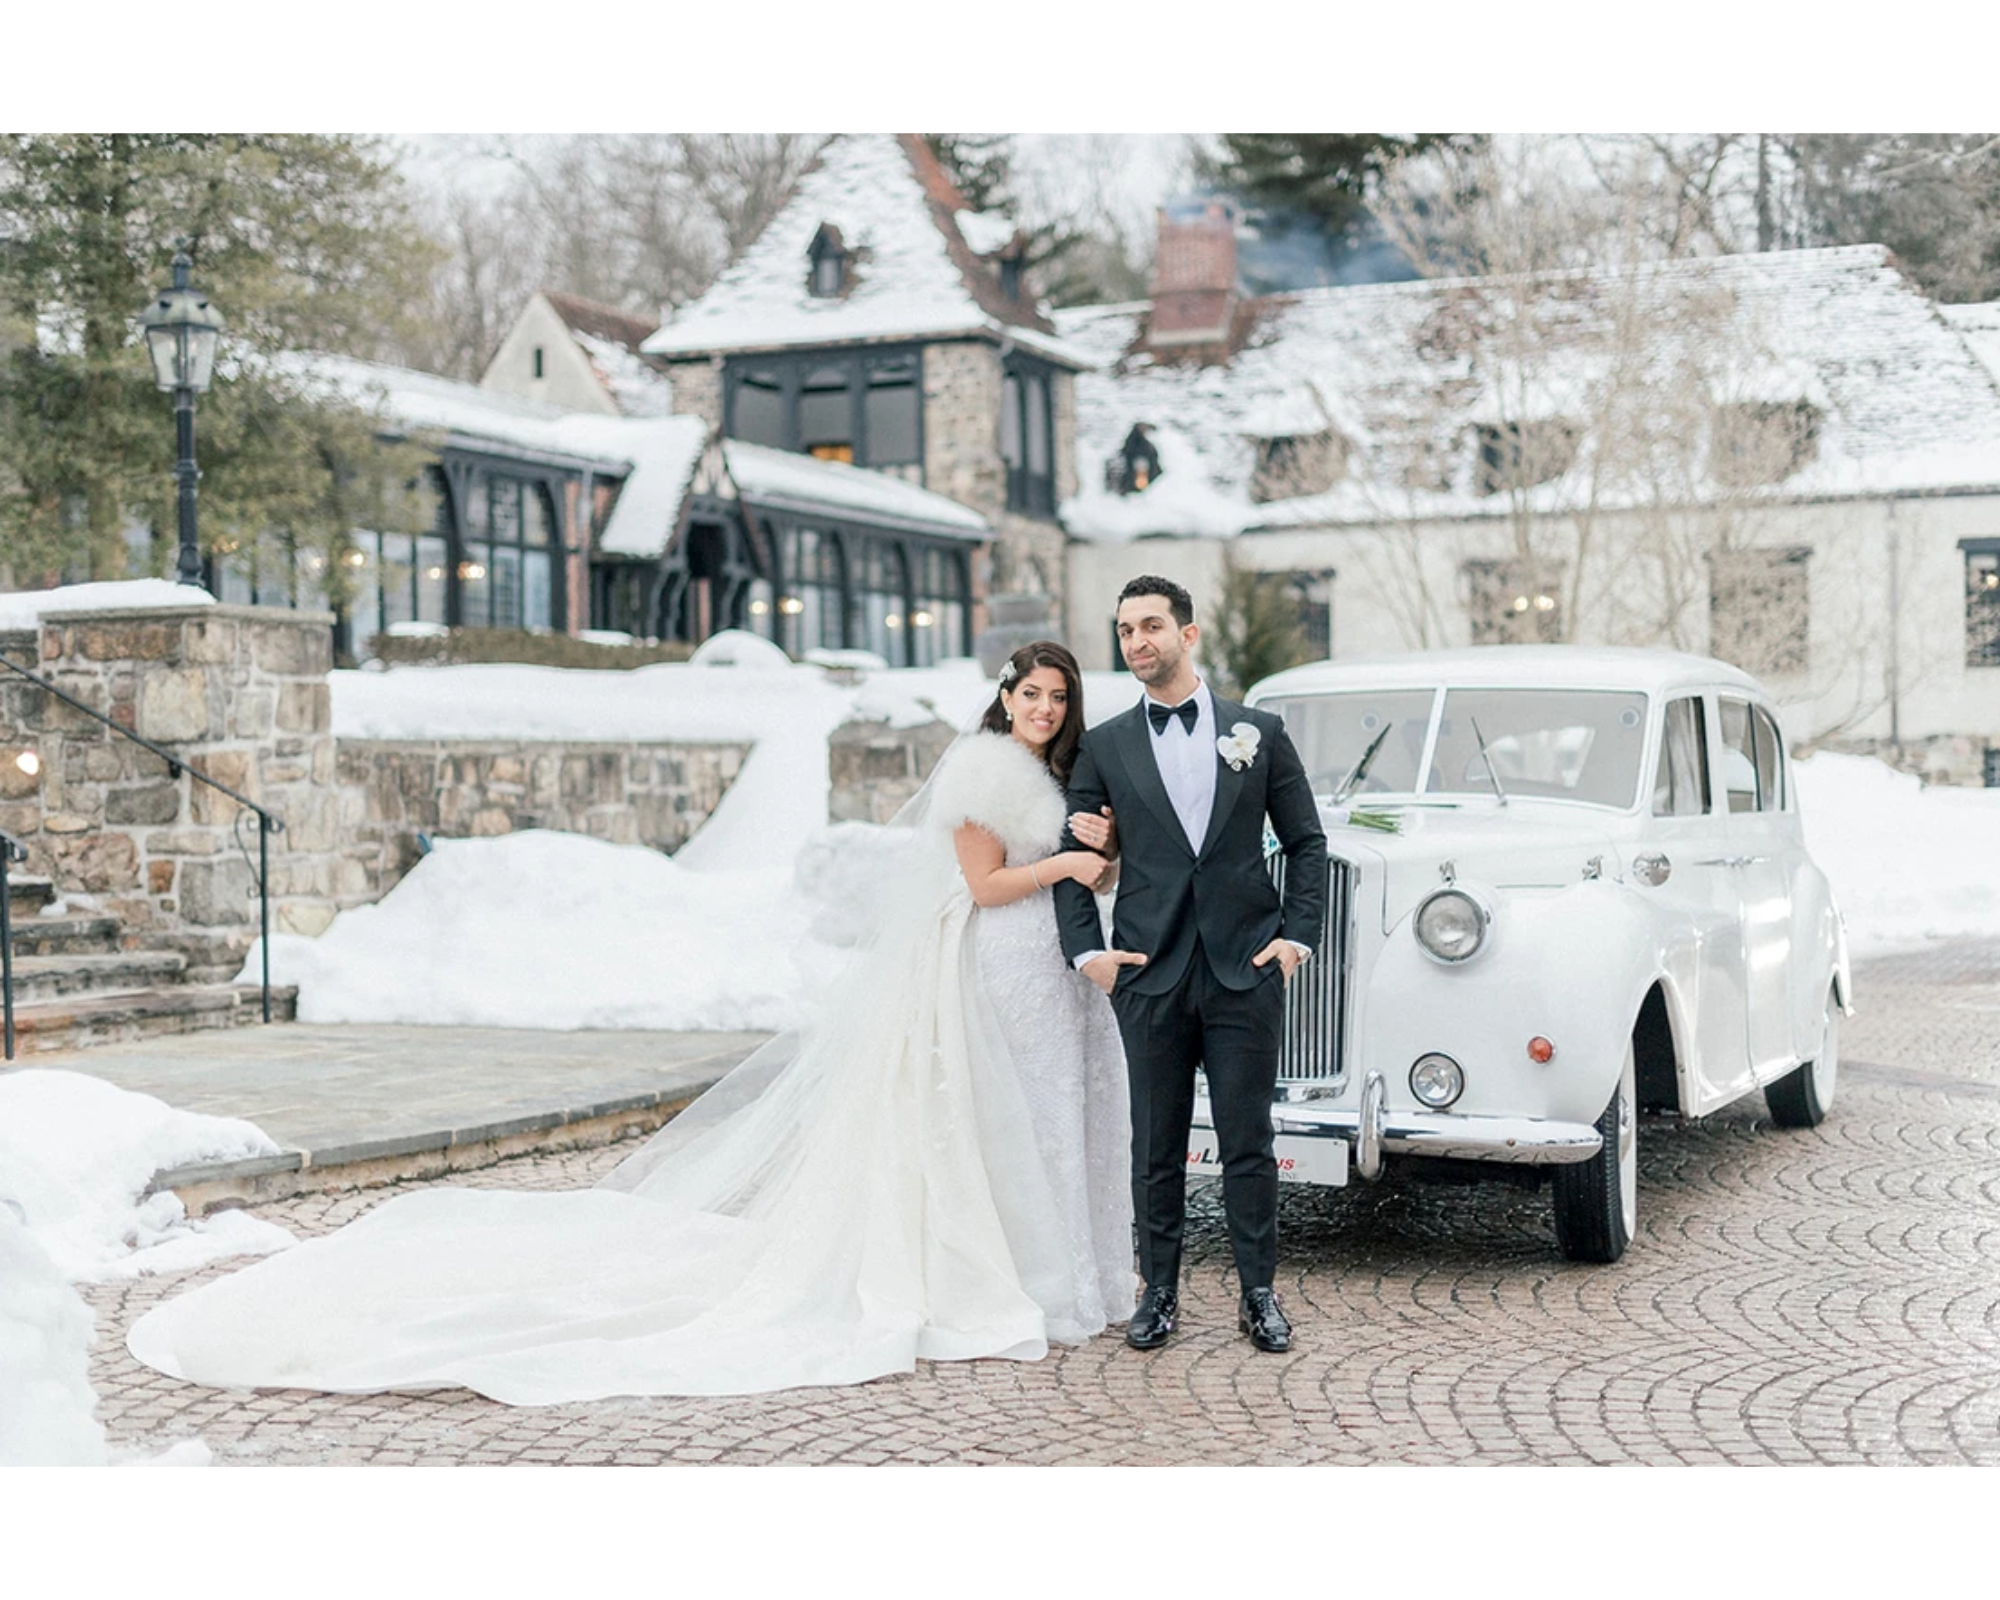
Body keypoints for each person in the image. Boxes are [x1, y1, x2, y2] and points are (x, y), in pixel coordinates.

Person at [126, 642, 1134, 1404]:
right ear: (1003, 696)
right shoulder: (982, 775)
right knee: (987, 1125)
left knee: (1041, 1116)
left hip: (1044, 972)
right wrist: (1069, 863)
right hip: (987, 960)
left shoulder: (1061, 775)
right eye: (1029, 693)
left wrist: (1097, 855)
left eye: (1056, 696)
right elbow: (985, 880)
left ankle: (1067, 1271)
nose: (1042, 708)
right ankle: (1019, 1276)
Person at [1054, 576, 1327, 1354]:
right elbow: (1075, 859)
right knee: (1155, 1143)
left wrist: (1294, 938)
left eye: (1150, 627)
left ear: (1189, 634)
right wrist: (1090, 955)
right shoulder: (1104, 746)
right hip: (1148, 973)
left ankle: (1259, 1295)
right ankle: (1160, 1294)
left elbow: (1307, 844)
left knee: (1248, 1139)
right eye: (1125, 631)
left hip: (1246, 970)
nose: (1137, 642)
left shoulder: (1259, 733)